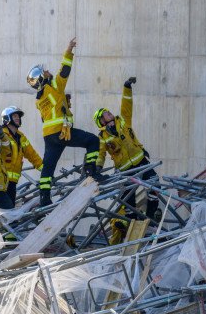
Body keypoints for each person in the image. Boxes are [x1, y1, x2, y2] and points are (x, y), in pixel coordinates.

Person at [27, 37, 101, 206]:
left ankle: (44, 197)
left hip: (49, 136)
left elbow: (51, 111)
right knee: (93, 141)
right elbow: (64, 71)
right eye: (44, 72)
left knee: (48, 167)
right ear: (42, 78)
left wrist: (64, 103)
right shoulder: (54, 86)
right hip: (62, 131)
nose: (48, 72)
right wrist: (69, 51)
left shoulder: (39, 98)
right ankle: (91, 171)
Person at [93, 76, 160, 221]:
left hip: (141, 161)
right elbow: (101, 154)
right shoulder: (102, 137)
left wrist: (127, 87)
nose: (109, 112)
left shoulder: (123, 121)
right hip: (125, 169)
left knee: (154, 183)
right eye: (106, 113)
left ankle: (152, 215)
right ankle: (132, 221)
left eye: (108, 111)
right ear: (102, 120)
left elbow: (126, 105)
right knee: (127, 197)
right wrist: (98, 167)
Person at [0, 106, 43, 205]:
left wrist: (45, 170)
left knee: (10, 209)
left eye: (18, 116)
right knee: (3, 210)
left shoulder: (21, 137)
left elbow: (32, 155)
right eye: (14, 116)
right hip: (1, 181)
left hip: (12, 182)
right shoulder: (1, 135)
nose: (18, 118)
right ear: (6, 119)